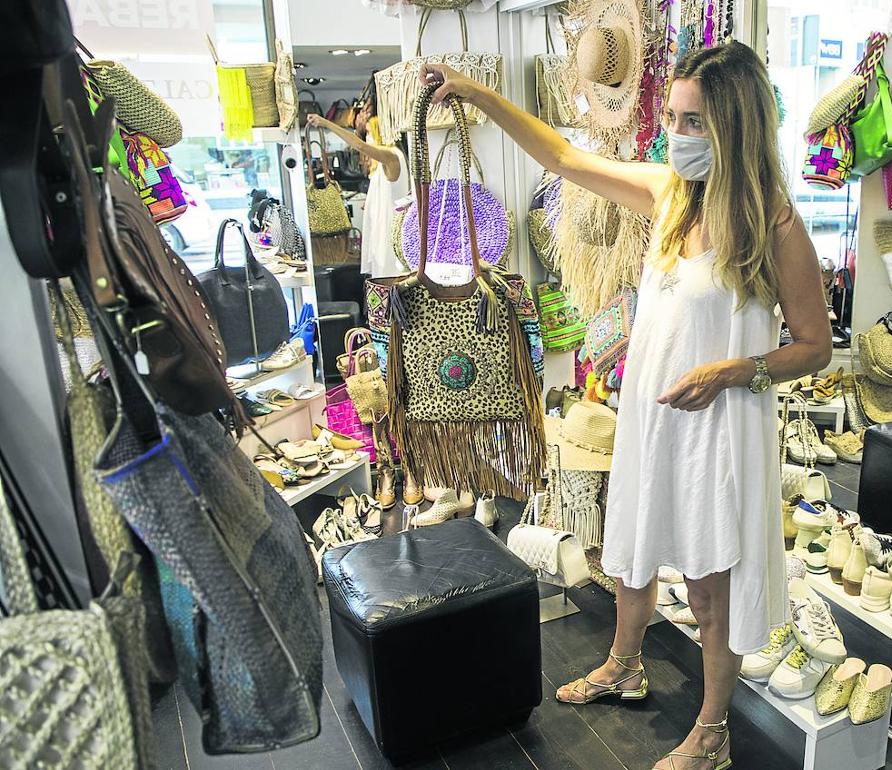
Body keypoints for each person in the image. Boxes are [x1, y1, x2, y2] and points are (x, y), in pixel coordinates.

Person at [422, 41, 832, 770]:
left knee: (709, 588)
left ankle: (712, 734)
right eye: (672, 117)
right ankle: (625, 664)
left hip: (717, 427)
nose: (677, 135)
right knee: (632, 549)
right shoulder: (673, 197)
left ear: (734, 127)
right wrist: (476, 96)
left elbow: (814, 346)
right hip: (654, 417)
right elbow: (563, 159)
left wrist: (737, 369)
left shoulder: (772, 223)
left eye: (694, 121)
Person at [307, 112, 409, 279]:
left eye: (369, 133)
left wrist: (326, 123)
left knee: (388, 283)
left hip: (389, 238)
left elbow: (360, 146)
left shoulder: (392, 157)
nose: (367, 138)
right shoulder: (384, 164)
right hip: (382, 235)